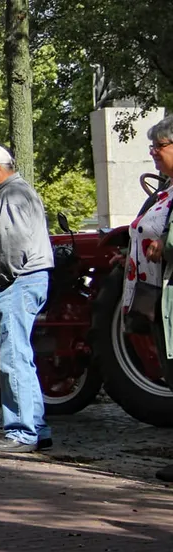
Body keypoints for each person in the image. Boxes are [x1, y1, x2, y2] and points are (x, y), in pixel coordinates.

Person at [0, 144, 54, 453]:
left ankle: (22, 431)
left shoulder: (11, 195)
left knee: (13, 357)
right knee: (21, 356)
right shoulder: (16, 193)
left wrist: (0, 281)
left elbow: (14, 245)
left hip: (17, 283)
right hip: (25, 280)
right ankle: (36, 427)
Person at [133, 115, 173, 482]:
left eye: (158, 147)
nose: (153, 154)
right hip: (161, 296)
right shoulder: (168, 190)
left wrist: (166, 245)